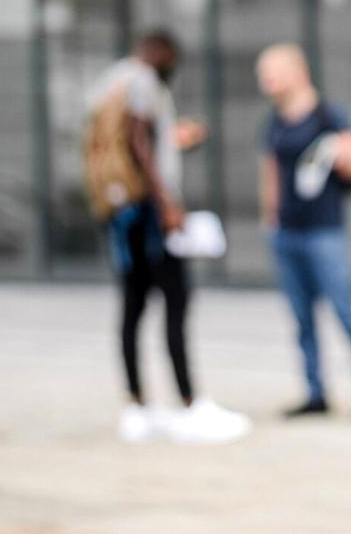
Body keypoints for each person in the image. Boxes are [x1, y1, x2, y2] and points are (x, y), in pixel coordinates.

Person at [85, 30, 251, 444]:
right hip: (146, 212)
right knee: (175, 299)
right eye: (171, 58)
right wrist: (167, 204)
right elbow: (139, 141)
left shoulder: (111, 80)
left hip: (119, 209)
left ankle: (137, 408)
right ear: (160, 52)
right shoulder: (142, 80)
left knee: (133, 304)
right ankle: (191, 404)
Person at [256, 43, 351, 418]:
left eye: (273, 71)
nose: (267, 81)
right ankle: (315, 393)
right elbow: (271, 176)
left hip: (324, 233)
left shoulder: (331, 116)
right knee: (301, 318)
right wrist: (271, 219)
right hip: (287, 234)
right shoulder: (274, 124)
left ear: (297, 71)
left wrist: (344, 157)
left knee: (344, 310)